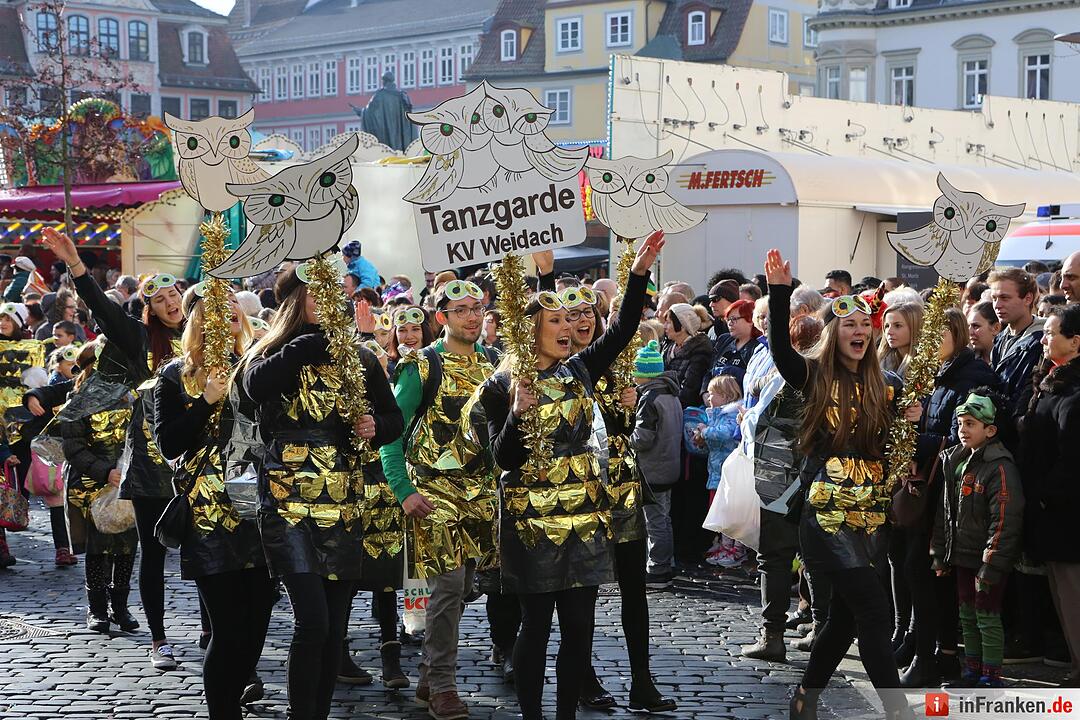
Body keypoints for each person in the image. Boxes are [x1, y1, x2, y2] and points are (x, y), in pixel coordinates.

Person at [477, 232, 662, 720]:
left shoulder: (579, 368)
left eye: (570, 319)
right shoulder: (501, 386)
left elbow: (620, 331)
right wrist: (519, 413)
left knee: (579, 628)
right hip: (531, 524)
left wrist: (639, 273)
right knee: (535, 626)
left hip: (583, 519)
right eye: (555, 320)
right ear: (531, 330)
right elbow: (503, 459)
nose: (567, 327)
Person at [765, 249, 920, 720]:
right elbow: (780, 350)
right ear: (834, 333)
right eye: (848, 325)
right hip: (826, 516)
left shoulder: (889, 383)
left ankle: (804, 699)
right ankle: (898, 712)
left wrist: (912, 420)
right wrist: (778, 293)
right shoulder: (812, 376)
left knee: (846, 621)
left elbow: (898, 448)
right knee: (874, 614)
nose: (859, 331)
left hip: (871, 516)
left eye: (865, 326)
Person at [242, 266, 402, 720]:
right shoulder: (273, 350)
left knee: (333, 627)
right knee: (311, 622)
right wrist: (298, 350)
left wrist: (376, 427)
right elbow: (253, 388)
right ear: (297, 301)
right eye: (318, 295)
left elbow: (393, 420)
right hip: (288, 501)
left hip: (345, 503)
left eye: (336, 295)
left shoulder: (361, 359)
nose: (328, 303)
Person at [533, 270, 674, 714]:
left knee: (634, 586)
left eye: (586, 313)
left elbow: (624, 326)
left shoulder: (612, 365)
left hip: (624, 486)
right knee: (580, 592)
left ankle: (641, 680)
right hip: (576, 492)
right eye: (568, 316)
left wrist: (629, 409)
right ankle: (583, 679)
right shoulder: (559, 371)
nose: (581, 323)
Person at [380, 277, 502, 718]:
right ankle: (445, 685)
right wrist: (403, 490)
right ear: (441, 318)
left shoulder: (494, 363)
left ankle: (431, 669)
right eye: (462, 309)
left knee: (466, 587)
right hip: (433, 493)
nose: (472, 316)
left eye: (477, 308)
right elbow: (392, 432)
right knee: (448, 587)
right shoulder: (422, 367)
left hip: (481, 493)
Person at [152, 287, 274, 719]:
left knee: (260, 614)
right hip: (207, 515)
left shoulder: (259, 366)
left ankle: (238, 686)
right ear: (200, 320)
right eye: (219, 310)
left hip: (260, 507)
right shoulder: (173, 376)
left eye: (235, 308)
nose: (231, 315)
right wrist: (205, 402)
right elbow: (169, 442)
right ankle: (224, 712)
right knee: (227, 624)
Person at [899, 309, 999, 687]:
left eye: (935, 337)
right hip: (934, 491)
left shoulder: (970, 378)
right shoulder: (942, 375)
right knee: (921, 573)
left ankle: (936, 658)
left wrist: (915, 438)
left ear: (955, 335)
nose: (927, 344)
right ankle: (935, 654)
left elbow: (962, 438)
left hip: (952, 493)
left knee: (926, 574)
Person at [932, 389, 1024, 688]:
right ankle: (971, 671)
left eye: (971, 424)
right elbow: (945, 512)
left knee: (986, 616)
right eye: (961, 424)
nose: (963, 430)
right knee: (967, 615)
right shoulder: (956, 462)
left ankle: (991, 676)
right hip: (962, 556)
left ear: (990, 429)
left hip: (986, 560)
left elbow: (1005, 519)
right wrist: (941, 553)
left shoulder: (1000, 466)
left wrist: (991, 562)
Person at [1020, 304, 1080, 687]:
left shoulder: (1074, 391)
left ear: (1075, 342)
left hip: (1067, 514)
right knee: (1061, 593)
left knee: (1073, 594)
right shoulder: (1052, 380)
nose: (1044, 339)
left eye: (1051, 333)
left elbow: (1071, 458)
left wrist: (1043, 496)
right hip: (1050, 513)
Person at [61, 342, 140, 633]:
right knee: (98, 549)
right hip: (90, 484)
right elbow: (74, 448)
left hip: (126, 480)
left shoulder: (130, 397)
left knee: (126, 548)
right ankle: (97, 609)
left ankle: (121, 606)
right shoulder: (77, 401)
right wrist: (105, 471)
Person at [633, 340, 683, 590]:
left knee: (655, 521)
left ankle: (659, 569)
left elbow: (643, 438)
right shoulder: (670, 393)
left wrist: (623, 439)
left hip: (654, 468)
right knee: (664, 518)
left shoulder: (650, 397)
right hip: (669, 465)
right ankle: (667, 563)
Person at [698, 375, 744, 568]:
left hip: (729, 476)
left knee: (732, 514)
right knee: (721, 513)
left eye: (712, 394)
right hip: (717, 473)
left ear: (726, 396)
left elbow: (724, 433)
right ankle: (724, 545)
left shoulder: (730, 415)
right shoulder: (715, 414)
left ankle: (736, 549)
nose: (708, 398)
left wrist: (705, 431)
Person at [663, 303, 713, 409]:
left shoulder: (700, 350)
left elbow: (689, 390)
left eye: (668, 323)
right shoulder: (669, 347)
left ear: (681, 326)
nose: (664, 327)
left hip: (682, 409)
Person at [705, 299, 764, 389]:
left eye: (734, 319)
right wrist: (704, 392)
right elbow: (709, 370)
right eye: (728, 319)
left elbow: (753, 380)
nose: (729, 323)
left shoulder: (759, 347)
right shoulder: (724, 339)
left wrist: (729, 371)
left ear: (751, 320)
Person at [879, 303, 924, 379]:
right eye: (887, 326)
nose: (889, 332)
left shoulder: (926, 366)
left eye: (897, 326)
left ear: (916, 327)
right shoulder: (882, 361)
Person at [967, 301, 1001, 365]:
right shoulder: (966, 363)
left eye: (976, 326)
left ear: (996, 328)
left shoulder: (1010, 361)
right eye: (968, 326)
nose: (970, 332)